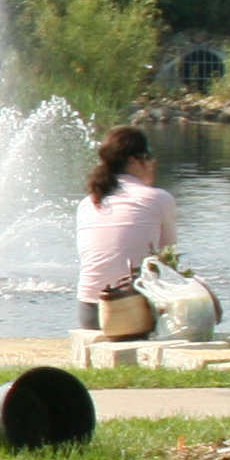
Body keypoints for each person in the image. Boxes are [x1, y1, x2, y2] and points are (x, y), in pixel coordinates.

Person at [75, 125, 176, 338]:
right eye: (147, 156)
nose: (153, 162)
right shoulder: (158, 198)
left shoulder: (88, 202)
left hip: (90, 309)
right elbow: (168, 259)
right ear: (132, 161)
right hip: (132, 310)